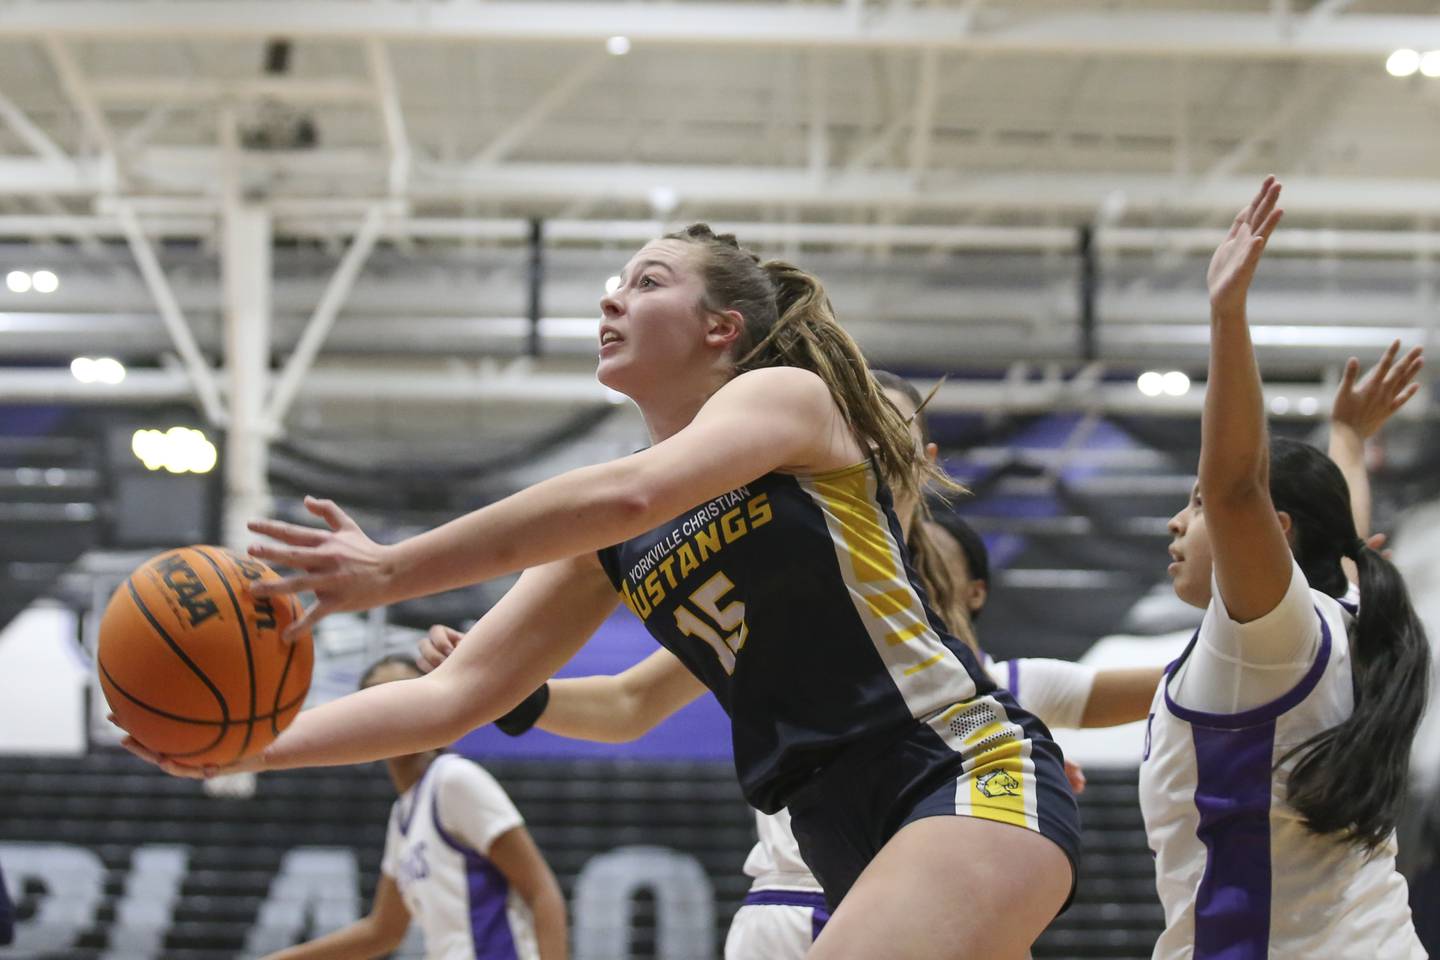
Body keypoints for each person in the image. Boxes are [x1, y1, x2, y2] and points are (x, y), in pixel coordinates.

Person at [125, 225, 1081, 959]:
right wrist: (249, 745)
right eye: (613, 285)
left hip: (953, 768)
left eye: (647, 281)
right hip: (827, 822)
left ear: (723, 328)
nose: (613, 298)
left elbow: (630, 490)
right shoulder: (614, 541)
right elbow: (452, 698)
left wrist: (392, 569)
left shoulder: (783, 399)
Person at [414, 373, 1157, 959]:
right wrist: (517, 696)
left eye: (886, 434)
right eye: (854, 430)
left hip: (923, 886)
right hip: (791, 905)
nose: (867, 447)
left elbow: (1182, 692)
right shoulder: (785, 602)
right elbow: (630, 702)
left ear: (922, 464)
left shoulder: (1004, 692)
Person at [1140, 176, 1429, 955]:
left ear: (1273, 530)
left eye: (1193, 504)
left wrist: (1227, 318)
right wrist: (1347, 439)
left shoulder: (1263, 639)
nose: (1179, 520)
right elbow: (1341, 533)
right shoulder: (1343, 616)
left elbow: (1241, 488)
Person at [259, 656, 567, 960]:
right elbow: (383, 931)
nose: (393, 710)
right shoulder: (404, 812)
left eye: (404, 694)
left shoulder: (453, 779)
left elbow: (541, 891)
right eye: (378, 700)